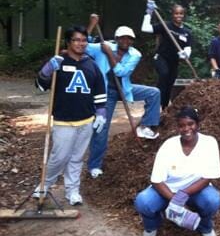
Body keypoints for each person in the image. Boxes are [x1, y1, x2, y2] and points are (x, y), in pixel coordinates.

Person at [33, 26, 107, 205]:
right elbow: (41, 85)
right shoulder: (59, 62)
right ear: (68, 42)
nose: (81, 43)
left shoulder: (91, 64)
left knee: (77, 158)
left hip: (86, 120)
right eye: (77, 40)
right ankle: (44, 185)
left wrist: (101, 113)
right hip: (63, 120)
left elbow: (99, 90)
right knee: (59, 157)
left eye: (84, 40)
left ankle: (72, 190)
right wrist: (47, 70)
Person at [85, 15, 161, 179]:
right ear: (117, 39)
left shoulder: (135, 54)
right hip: (106, 92)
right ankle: (94, 165)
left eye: (129, 39)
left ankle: (146, 126)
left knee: (154, 93)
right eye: (123, 38)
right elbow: (83, 45)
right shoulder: (103, 46)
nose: (126, 41)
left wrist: (109, 55)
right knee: (101, 128)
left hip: (125, 89)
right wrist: (92, 25)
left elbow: (121, 72)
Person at [134, 106, 220, 236]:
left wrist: (181, 197)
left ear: (198, 124)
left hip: (197, 190)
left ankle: (205, 227)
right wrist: (175, 200)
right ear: (177, 128)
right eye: (181, 126)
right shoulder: (169, 146)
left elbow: (208, 176)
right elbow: (157, 180)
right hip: (168, 190)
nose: (186, 129)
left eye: (190, 124)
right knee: (143, 201)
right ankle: (152, 226)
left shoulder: (209, 143)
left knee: (213, 200)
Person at [142, 2, 192, 110]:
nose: (178, 16)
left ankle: (164, 108)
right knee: (164, 74)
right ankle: (156, 102)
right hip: (161, 57)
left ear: (183, 15)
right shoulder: (166, 25)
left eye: (181, 13)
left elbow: (188, 47)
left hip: (174, 62)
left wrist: (185, 54)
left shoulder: (186, 32)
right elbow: (145, 28)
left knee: (170, 83)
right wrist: (148, 13)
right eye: (176, 13)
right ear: (172, 14)